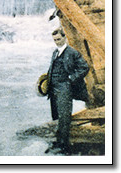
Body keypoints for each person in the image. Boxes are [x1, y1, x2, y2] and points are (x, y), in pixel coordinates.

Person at [45, 26, 90, 155]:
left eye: (59, 39)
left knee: (64, 117)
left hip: (64, 88)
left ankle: (63, 145)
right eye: (55, 40)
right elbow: (52, 69)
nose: (57, 42)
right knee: (55, 115)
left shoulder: (72, 52)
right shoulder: (55, 52)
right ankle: (57, 141)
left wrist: (71, 79)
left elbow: (84, 67)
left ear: (65, 37)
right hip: (53, 89)